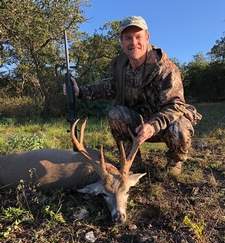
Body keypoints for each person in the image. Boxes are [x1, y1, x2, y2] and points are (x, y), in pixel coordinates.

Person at [66, 16, 202, 174]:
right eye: (128, 38)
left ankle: (174, 162)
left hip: (163, 123)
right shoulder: (120, 66)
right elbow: (108, 88)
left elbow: (175, 105)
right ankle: (133, 162)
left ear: (147, 38)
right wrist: (79, 91)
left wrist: (152, 126)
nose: (133, 42)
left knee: (180, 127)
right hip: (137, 124)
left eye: (138, 37)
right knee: (116, 114)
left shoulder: (165, 68)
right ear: (122, 42)